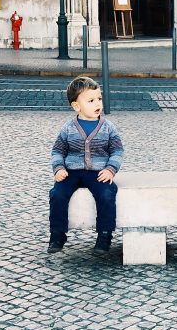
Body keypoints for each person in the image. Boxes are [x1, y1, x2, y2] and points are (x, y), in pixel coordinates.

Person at [48, 76, 124, 254]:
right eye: (91, 100)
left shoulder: (108, 127)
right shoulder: (68, 128)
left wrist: (110, 169)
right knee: (57, 194)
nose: (97, 103)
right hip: (71, 172)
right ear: (76, 106)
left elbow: (118, 151)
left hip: (98, 172)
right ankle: (57, 234)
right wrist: (58, 169)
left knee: (106, 194)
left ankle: (104, 234)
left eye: (99, 99)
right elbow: (57, 151)